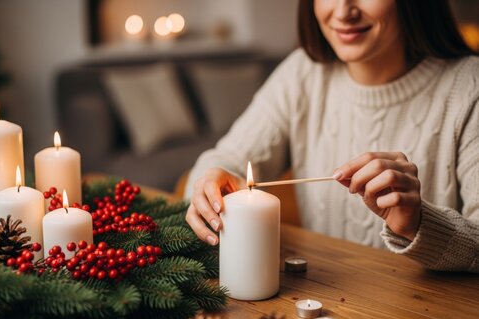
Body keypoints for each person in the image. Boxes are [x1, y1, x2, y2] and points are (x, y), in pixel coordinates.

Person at [185, 0, 479, 272]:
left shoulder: (469, 88)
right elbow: (225, 159)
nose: (342, 12)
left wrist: (419, 223)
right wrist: (208, 184)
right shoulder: (302, 73)